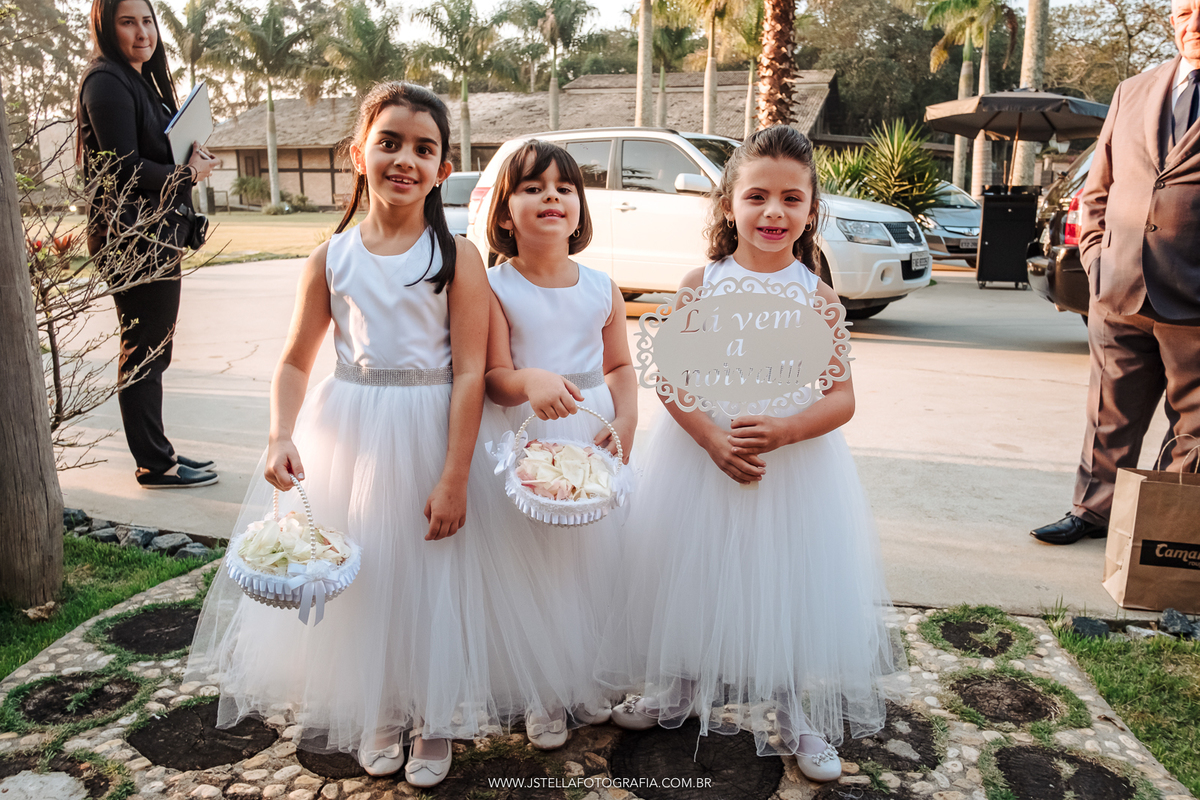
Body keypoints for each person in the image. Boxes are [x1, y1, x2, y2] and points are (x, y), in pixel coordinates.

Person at [188, 83, 535, 789]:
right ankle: (382, 705)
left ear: (442, 169)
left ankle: (434, 714)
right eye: (390, 142)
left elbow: (472, 371)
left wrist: (455, 475)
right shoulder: (331, 257)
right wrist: (280, 434)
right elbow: (295, 359)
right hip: (352, 432)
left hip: (435, 431)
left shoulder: (456, 256)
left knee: (436, 578)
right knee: (370, 575)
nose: (406, 159)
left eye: (424, 149)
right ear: (358, 154)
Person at [595, 126, 899, 783]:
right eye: (757, 196)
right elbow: (670, 378)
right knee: (693, 570)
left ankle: (792, 706)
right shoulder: (703, 283)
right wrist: (709, 437)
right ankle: (679, 686)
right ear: (729, 203)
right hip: (701, 460)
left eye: (792, 198)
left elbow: (842, 398)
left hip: (790, 470)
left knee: (780, 582)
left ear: (811, 209)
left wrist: (788, 429)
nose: (773, 212)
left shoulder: (817, 295)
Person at [482, 140, 638, 748]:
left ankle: (584, 677)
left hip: (592, 432)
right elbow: (494, 377)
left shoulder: (602, 287)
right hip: (531, 435)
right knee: (536, 564)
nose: (551, 197)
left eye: (564, 188)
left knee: (591, 561)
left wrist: (627, 419)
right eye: (533, 188)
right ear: (505, 212)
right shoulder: (495, 288)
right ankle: (540, 690)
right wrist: (529, 381)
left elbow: (619, 366)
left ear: (579, 209)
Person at [1031, 0, 1200, 546]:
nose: (1194, 24)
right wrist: (1096, 260)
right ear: (1172, 20)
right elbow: (1097, 189)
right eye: (1185, 13)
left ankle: (1160, 528)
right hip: (1119, 286)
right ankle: (1092, 511)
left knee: (1195, 429)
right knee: (1109, 413)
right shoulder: (1133, 91)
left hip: (1194, 299)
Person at [77, 0, 220, 488]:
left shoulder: (140, 82)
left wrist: (190, 158)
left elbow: (154, 155)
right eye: (127, 22)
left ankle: (160, 452)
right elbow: (124, 170)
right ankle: (154, 465)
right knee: (144, 351)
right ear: (106, 27)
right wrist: (187, 174)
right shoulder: (106, 81)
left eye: (147, 21)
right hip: (131, 239)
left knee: (154, 349)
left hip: (154, 235)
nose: (142, 32)